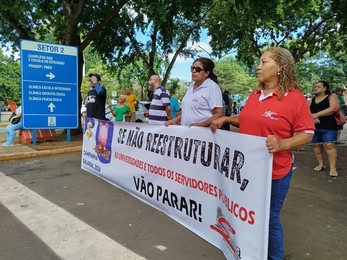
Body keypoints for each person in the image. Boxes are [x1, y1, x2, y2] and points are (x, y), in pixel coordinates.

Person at [210, 47, 315, 260]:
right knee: (247, 214)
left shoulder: (294, 98)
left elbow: (306, 133)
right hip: (246, 171)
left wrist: (283, 143)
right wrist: (228, 119)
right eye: (259, 62)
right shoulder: (254, 95)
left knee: (269, 219)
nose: (259, 66)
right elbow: (250, 121)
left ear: (280, 68)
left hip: (274, 172)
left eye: (264, 62)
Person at [166, 57, 223, 127]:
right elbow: (187, 113)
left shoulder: (212, 87)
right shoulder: (190, 87)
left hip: (202, 134)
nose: (193, 71)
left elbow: (218, 114)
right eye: (192, 68)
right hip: (186, 133)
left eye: (198, 69)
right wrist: (174, 120)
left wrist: (201, 125)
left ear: (206, 73)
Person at [309, 81, 340, 176]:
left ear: (325, 88)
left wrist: (317, 114)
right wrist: (312, 117)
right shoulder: (312, 99)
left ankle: (333, 169)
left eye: (318, 86)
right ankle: (321, 164)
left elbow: (333, 108)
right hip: (315, 127)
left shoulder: (331, 96)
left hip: (329, 127)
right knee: (316, 146)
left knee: (329, 145)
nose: (316, 88)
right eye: (315, 87)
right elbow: (305, 110)